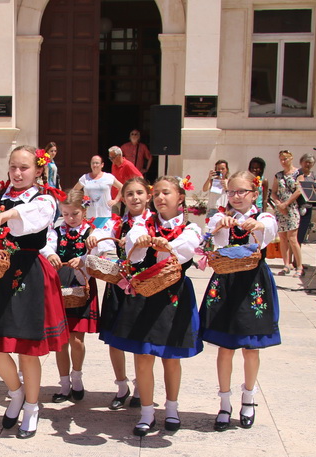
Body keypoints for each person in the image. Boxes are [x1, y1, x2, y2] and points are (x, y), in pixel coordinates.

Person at [0, 145, 68, 439]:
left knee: (27, 349)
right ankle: (16, 392)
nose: (18, 173)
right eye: (13, 167)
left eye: (24, 167)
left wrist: (6, 215)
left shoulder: (43, 200)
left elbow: (29, 218)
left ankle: (32, 408)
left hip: (29, 273)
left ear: (38, 170)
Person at [100, 176, 203, 436]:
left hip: (174, 297)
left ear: (180, 198)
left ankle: (172, 409)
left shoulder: (191, 228)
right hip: (145, 295)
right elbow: (134, 244)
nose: (159, 198)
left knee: (171, 358)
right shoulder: (142, 225)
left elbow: (185, 247)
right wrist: (144, 241)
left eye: (166, 193)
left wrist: (164, 245)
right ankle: (146, 413)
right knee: (143, 356)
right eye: (156, 193)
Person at [198, 171, 280, 431]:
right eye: (232, 191)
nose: (236, 196)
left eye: (242, 191)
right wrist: (220, 227)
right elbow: (211, 241)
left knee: (251, 347)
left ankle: (249, 398)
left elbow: (269, 227)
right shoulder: (221, 217)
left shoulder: (263, 217)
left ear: (254, 194)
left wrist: (257, 225)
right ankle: (224, 403)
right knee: (225, 347)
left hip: (253, 282)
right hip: (227, 282)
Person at [94, 178, 152, 410]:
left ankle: (140, 386)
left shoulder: (154, 222)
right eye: (129, 194)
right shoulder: (116, 222)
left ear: (148, 196)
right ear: (123, 199)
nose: (135, 198)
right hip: (119, 284)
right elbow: (100, 235)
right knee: (115, 338)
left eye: (139, 193)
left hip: (144, 285)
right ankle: (121, 386)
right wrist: (95, 238)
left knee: (139, 338)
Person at [43, 188, 98, 403]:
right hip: (61, 284)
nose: (70, 218)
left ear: (84, 211)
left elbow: (99, 252)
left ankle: (77, 377)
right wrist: (51, 254)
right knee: (61, 339)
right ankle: (64, 385)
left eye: (74, 213)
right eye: (65, 214)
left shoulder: (91, 232)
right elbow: (47, 246)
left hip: (81, 284)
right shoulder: (56, 231)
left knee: (76, 339)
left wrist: (83, 259)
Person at [270, 150, 304, 276]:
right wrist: (279, 204)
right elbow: (274, 192)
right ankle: (286, 264)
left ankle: (299, 266)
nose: (283, 161)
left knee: (292, 238)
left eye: (285, 159)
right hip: (280, 209)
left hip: (292, 208)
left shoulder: (298, 173)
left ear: (291, 158)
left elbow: (299, 190)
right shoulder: (278, 175)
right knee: (283, 238)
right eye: (281, 159)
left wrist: (286, 203)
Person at [73, 155, 122, 222]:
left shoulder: (108, 177)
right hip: (89, 214)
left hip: (105, 214)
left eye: (97, 163)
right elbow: (74, 191)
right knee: (91, 229)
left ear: (102, 165)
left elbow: (122, 187)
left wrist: (115, 200)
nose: (95, 165)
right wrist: (81, 205)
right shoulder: (85, 178)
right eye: (93, 163)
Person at [296, 153, 316, 244]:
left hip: (308, 206)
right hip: (296, 206)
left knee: (302, 233)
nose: (308, 164)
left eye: (310, 163)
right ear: (301, 162)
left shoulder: (313, 176)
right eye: (306, 162)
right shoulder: (296, 173)